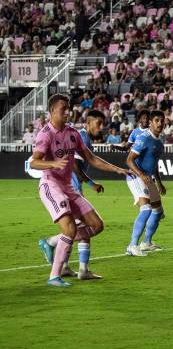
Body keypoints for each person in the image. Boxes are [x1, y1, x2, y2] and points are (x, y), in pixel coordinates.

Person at [33, 94, 127, 287]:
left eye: (69, 108)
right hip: (51, 186)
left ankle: (52, 243)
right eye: (63, 109)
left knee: (97, 225)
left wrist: (116, 168)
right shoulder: (45, 134)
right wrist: (53, 163)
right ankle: (54, 276)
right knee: (69, 228)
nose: (68, 112)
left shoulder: (72, 133)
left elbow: (91, 158)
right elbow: (34, 161)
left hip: (68, 187)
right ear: (52, 111)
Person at [125, 110, 167, 256]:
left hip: (148, 178)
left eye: (162, 120)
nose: (160, 123)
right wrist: (142, 175)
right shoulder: (144, 138)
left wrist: (159, 183)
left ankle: (146, 243)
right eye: (157, 120)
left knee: (158, 211)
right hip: (135, 176)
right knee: (146, 209)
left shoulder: (159, 144)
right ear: (150, 122)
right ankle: (132, 245)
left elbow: (154, 165)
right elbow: (129, 160)